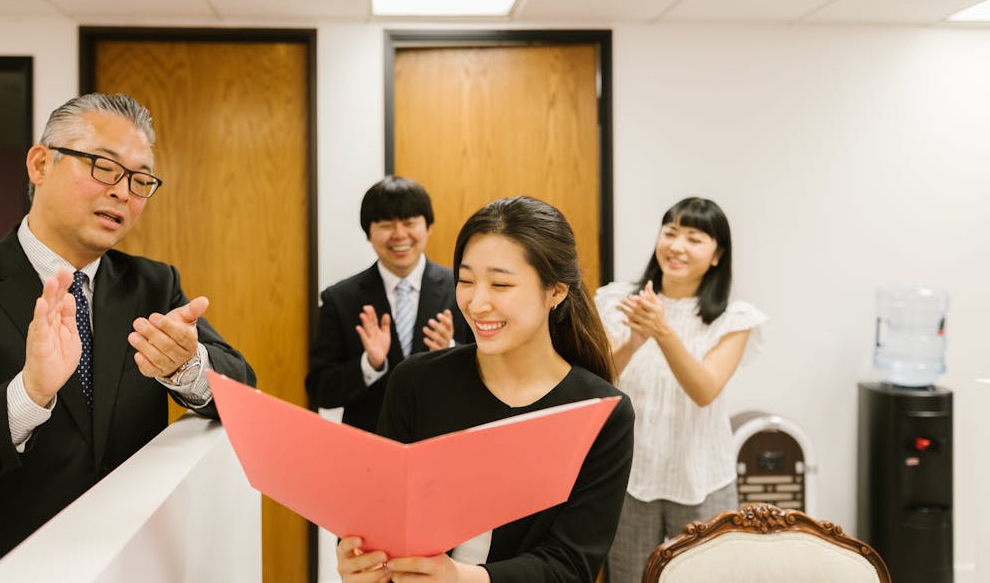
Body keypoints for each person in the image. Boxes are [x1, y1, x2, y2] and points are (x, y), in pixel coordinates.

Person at [0, 93, 257, 582]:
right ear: (40, 163)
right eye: (103, 167)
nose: (122, 193)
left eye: (140, 180)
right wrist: (27, 396)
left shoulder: (152, 286)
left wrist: (187, 366)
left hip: (130, 567)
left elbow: (243, 390)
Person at [337, 196, 635, 583]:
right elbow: (383, 515)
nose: (477, 303)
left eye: (501, 284)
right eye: (465, 281)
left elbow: (571, 565)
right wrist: (359, 560)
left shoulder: (600, 411)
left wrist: (462, 578)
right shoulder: (416, 381)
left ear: (556, 291)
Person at [595, 197, 767, 583]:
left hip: (702, 475)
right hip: (630, 474)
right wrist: (633, 341)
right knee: (628, 577)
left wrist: (662, 331)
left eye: (694, 238)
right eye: (670, 232)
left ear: (717, 254)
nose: (677, 246)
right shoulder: (614, 301)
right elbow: (598, 385)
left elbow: (704, 390)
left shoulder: (734, 319)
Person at [306, 176, 472, 433]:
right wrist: (369, 364)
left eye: (409, 223)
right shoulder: (340, 299)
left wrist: (450, 349)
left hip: (443, 438)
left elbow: (492, 370)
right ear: (368, 234)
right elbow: (320, 390)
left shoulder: (463, 288)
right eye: (386, 225)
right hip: (371, 447)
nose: (399, 235)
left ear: (428, 227)